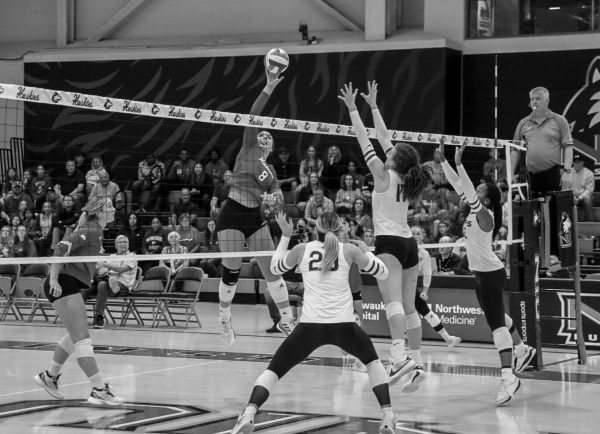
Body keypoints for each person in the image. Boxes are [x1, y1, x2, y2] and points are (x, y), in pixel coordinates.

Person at [231, 211, 395, 434]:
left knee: (274, 370)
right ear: (339, 229)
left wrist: (286, 236)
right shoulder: (350, 250)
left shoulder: (302, 250)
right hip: (344, 325)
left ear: (314, 229)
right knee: (373, 363)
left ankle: (249, 412)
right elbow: (384, 274)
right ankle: (387, 415)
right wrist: (367, 251)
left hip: (310, 327)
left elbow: (275, 269)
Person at [340, 81, 433, 392]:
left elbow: (365, 138)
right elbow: (383, 136)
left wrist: (354, 108)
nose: (388, 151)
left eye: (392, 152)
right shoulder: (407, 177)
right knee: (409, 307)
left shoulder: (382, 172)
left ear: (394, 158)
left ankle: (398, 357)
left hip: (389, 244)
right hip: (409, 244)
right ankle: (416, 361)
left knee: (391, 302)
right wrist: (375, 106)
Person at [439, 140, 537, 405]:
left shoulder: (487, 216)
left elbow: (467, 189)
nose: (475, 189)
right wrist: (446, 162)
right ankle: (522, 348)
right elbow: (460, 185)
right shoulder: (473, 210)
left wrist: (459, 163)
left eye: (480, 189)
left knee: (495, 327)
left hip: (492, 274)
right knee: (497, 317)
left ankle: (509, 377)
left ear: (485, 197)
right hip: (481, 274)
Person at [215, 66, 295, 345]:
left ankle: (287, 320)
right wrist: (269, 86)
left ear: (271, 147)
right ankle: (224, 317)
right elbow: (253, 115)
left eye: (268, 137)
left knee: (272, 270)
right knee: (232, 270)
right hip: (233, 213)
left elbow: (277, 194)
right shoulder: (248, 147)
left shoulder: (271, 171)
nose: (263, 137)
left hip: (255, 218)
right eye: (261, 134)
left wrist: (274, 199)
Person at [34, 197, 123, 405]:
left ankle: (49, 376)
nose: (114, 209)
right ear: (99, 211)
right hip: (62, 283)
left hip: (70, 283)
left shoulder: (97, 232)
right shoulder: (90, 229)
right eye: (109, 206)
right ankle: (99, 389)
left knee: (75, 336)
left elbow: (81, 256)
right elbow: (60, 249)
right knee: (82, 340)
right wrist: (54, 278)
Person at [511, 86, 573, 197]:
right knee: (530, 212)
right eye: (532, 99)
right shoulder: (523, 123)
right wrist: (510, 173)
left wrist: (567, 172)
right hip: (529, 176)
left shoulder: (559, 120)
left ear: (547, 100)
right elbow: (515, 150)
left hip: (551, 175)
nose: (534, 101)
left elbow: (568, 147)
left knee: (554, 211)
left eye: (538, 98)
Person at [411, 226, 461, 347]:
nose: (416, 236)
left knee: (425, 311)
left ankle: (448, 339)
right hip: (400, 285)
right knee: (409, 313)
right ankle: (404, 340)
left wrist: (425, 290)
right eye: (413, 234)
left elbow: (427, 273)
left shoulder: (424, 253)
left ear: (422, 236)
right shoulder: (404, 250)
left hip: (411, 286)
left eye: (418, 234)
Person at [83, 235, 138, 329]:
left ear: (128, 245)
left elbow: (122, 269)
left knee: (93, 285)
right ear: (115, 245)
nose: (123, 244)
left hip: (123, 285)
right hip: (107, 285)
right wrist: (102, 270)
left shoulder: (132, 256)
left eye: (125, 242)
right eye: (120, 242)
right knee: (101, 282)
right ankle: (98, 318)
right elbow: (100, 270)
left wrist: (105, 265)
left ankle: (91, 288)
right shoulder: (111, 257)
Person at [569, 154, 596, 222]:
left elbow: (589, 190)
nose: (577, 164)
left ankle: (590, 224)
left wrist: (580, 197)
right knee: (563, 199)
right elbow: (566, 188)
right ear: (572, 163)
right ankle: (567, 224)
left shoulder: (589, 173)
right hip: (572, 196)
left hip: (583, 196)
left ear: (583, 163)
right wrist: (572, 196)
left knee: (587, 199)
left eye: (579, 162)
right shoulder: (568, 173)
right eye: (575, 162)